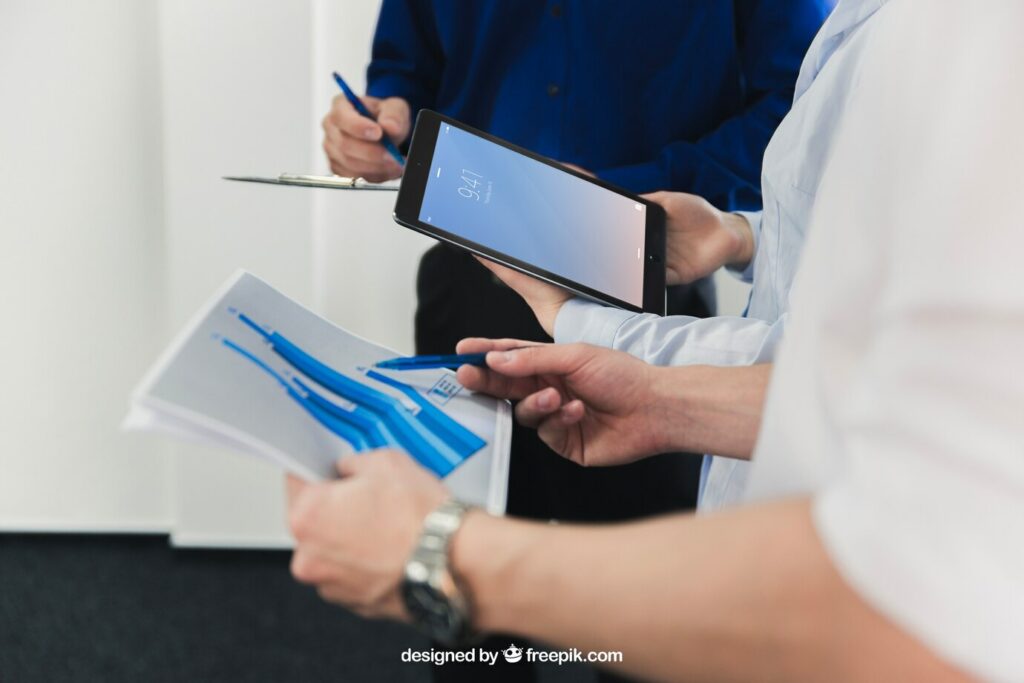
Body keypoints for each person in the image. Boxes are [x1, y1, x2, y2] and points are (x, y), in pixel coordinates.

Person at [287, 1, 1024, 680]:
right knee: (465, 619)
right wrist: (383, 126)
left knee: (655, 587)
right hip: (476, 263)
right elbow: (406, 82)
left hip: (654, 266)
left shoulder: (967, 40)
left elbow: (790, 112)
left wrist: (617, 201)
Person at [321, 1, 832, 531]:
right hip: (471, 273)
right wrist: (384, 119)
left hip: (655, 284)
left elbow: (799, 107)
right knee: (460, 537)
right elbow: (406, 70)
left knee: (644, 567)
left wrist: (630, 194)